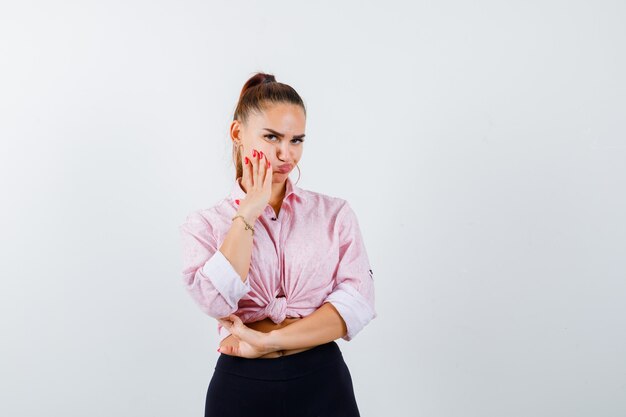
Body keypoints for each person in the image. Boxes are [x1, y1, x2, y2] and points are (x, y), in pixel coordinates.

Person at [178, 72, 377, 417]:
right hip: (241, 386)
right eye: (272, 137)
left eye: (297, 140)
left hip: (322, 381)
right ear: (238, 134)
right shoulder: (205, 224)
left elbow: (356, 306)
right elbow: (214, 300)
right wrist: (249, 213)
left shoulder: (334, 214)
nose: (287, 155)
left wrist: (268, 341)